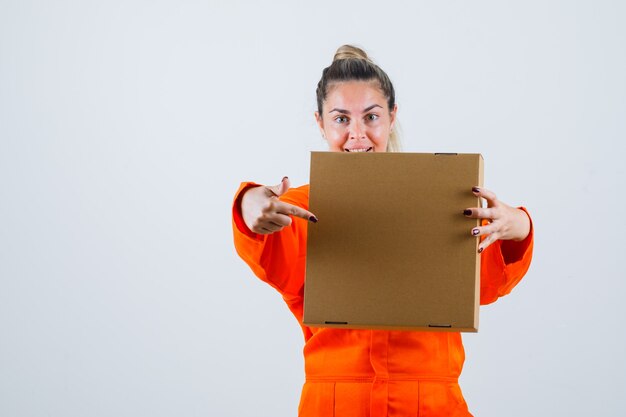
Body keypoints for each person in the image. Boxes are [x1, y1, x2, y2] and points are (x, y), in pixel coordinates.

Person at [232, 45, 533, 417]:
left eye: (370, 117)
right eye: (341, 119)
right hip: (334, 405)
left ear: (391, 117)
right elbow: (271, 252)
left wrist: (520, 225)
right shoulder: (304, 205)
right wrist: (248, 203)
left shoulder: (442, 197)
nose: (357, 134)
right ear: (320, 123)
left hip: (433, 404)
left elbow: (484, 287)